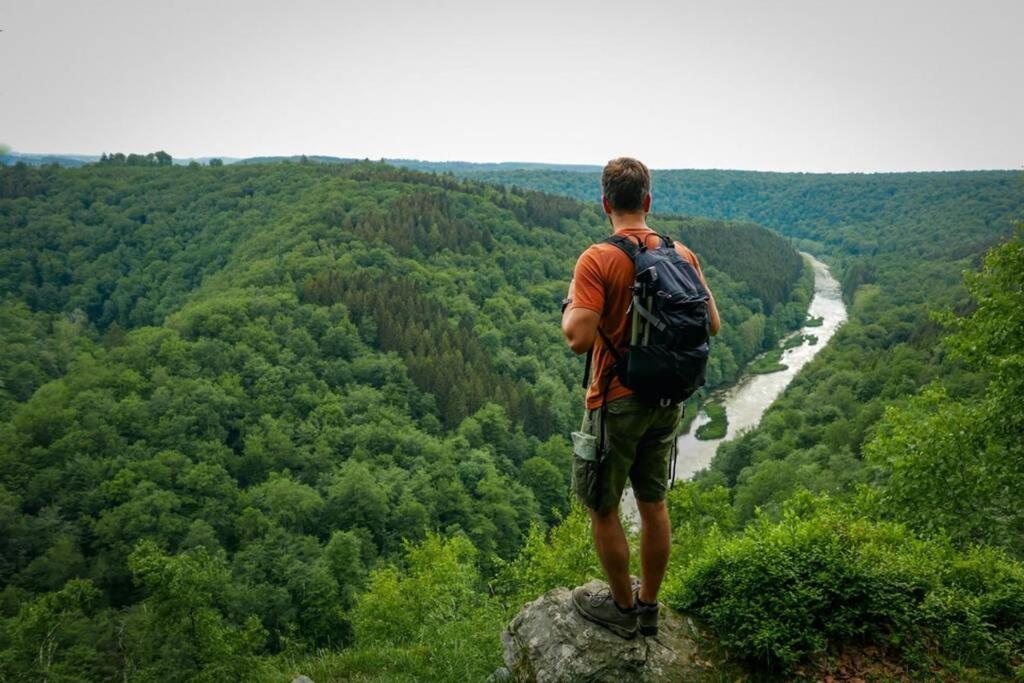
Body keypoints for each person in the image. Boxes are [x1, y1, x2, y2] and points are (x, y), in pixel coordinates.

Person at [560, 157, 721, 638]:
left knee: (603, 507)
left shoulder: (598, 258)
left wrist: (572, 299)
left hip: (616, 401)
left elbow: (577, 338)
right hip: (668, 401)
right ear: (648, 201)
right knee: (653, 504)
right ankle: (650, 605)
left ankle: (623, 610)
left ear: (605, 203)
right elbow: (712, 324)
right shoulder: (682, 254)